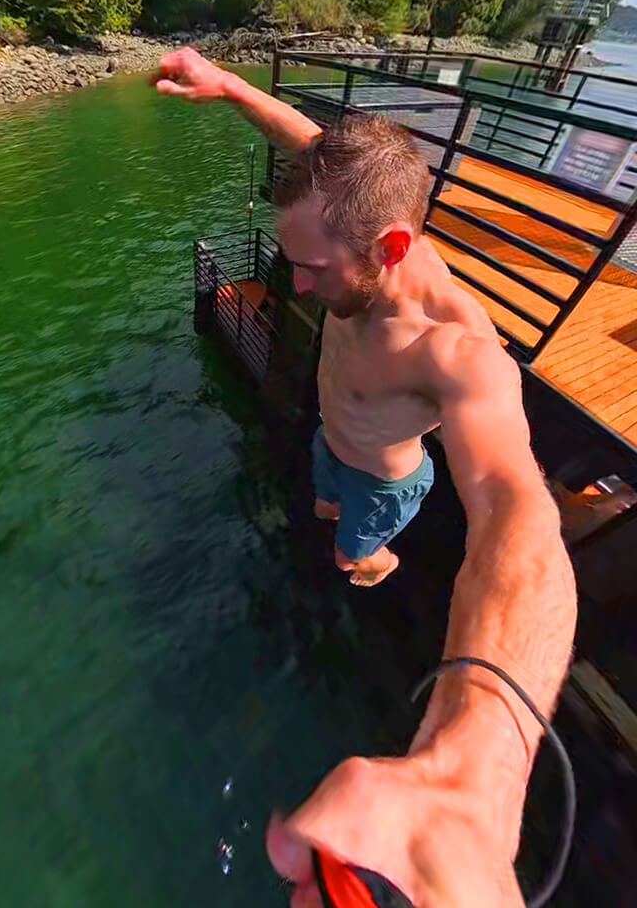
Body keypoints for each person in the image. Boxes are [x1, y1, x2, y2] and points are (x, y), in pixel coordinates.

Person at [152, 49, 577, 908]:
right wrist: (232, 86)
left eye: (312, 270)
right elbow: (312, 139)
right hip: (329, 442)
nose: (294, 283)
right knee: (317, 495)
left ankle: (374, 560)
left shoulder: (457, 350)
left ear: (389, 248)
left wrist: (474, 769)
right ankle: (338, 522)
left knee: (353, 548)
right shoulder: (352, 215)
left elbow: (516, 517)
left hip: (386, 482)